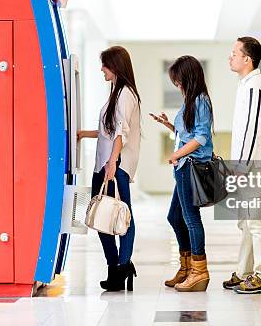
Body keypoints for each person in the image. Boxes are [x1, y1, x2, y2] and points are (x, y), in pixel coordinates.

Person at [77, 46, 141, 291]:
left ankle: (121, 267)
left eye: (104, 65)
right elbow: (108, 130)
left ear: (115, 66)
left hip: (116, 166)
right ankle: (115, 268)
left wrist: (113, 163)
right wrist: (84, 133)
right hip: (104, 164)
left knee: (122, 216)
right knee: (102, 217)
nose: (101, 69)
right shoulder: (116, 92)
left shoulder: (126, 94)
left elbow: (120, 134)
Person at [150, 55, 213, 292]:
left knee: (190, 218)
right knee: (175, 217)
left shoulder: (200, 101)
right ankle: (186, 267)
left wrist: (176, 155)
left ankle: (199, 271)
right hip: (183, 167)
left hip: (191, 166)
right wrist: (167, 124)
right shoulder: (190, 100)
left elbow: (200, 138)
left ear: (187, 76)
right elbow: (186, 132)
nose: (176, 84)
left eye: (177, 79)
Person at [221, 37, 261, 294]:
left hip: (255, 165)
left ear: (247, 59)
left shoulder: (255, 86)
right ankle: (244, 272)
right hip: (246, 164)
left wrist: (242, 166)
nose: (230, 57)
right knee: (246, 222)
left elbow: (252, 130)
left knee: (257, 221)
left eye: (234, 53)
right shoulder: (246, 85)